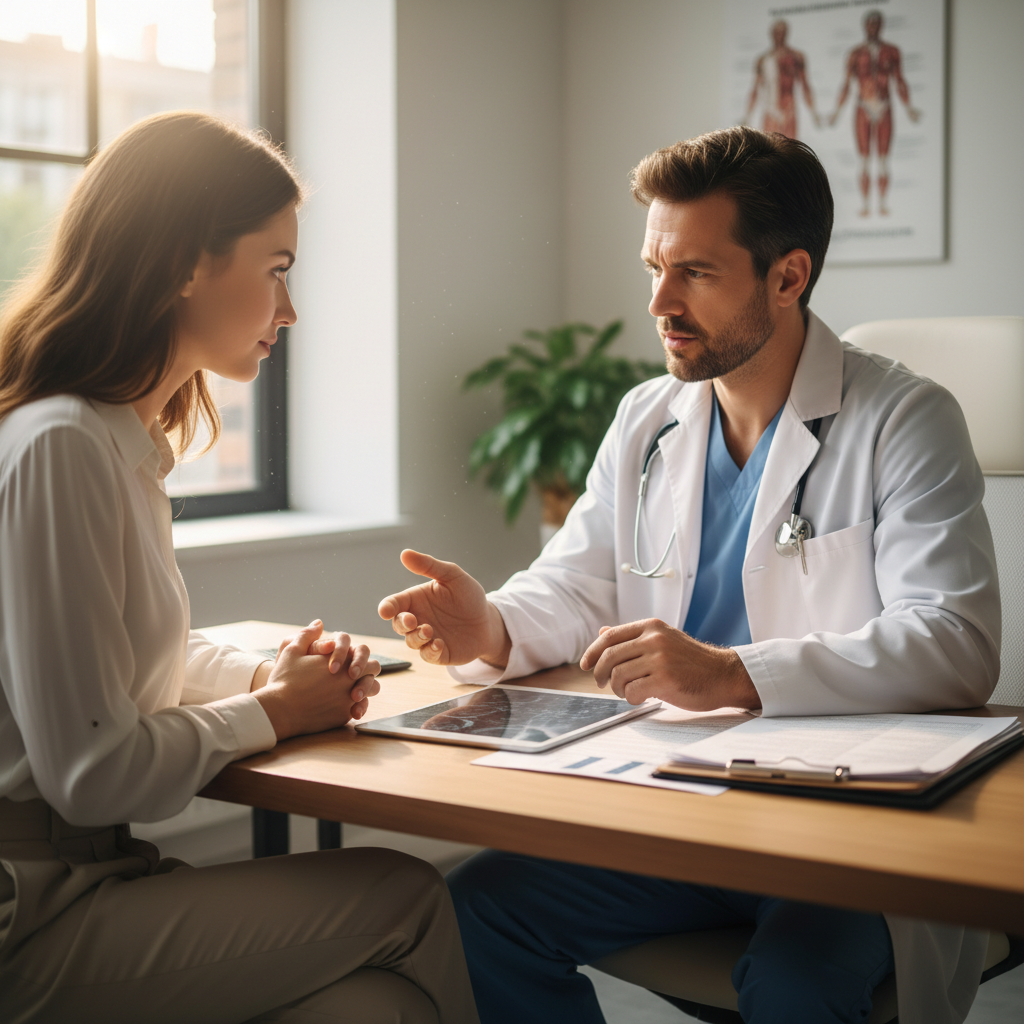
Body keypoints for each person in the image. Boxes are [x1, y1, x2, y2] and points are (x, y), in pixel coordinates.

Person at [378, 126, 998, 1024]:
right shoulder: (648, 418)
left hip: (842, 828)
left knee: (795, 983)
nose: (660, 302)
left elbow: (956, 641)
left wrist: (728, 673)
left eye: (696, 273)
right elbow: (582, 582)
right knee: (474, 911)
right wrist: (495, 629)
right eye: (653, 269)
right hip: (678, 806)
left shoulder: (904, 419)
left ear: (788, 277)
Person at [0, 112, 479, 1024]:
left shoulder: (117, 441)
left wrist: (266, 675)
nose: (290, 312)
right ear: (186, 260)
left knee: (382, 1006)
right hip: (30, 911)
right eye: (277, 270)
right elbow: (93, 770)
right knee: (408, 896)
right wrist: (270, 711)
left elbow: (118, 672)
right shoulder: (60, 446)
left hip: (84, 874)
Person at [829, 9, 921, 216]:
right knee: (863, 159)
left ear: (881, 26)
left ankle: (882, 204)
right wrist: (836, 112)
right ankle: (864, 205)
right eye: (870, 23)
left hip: (884, 106)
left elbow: (899, 80)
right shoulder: (855, 54)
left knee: (882, 160)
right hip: (863, 106)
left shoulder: (891, 51)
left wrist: (909, 108)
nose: (873, 27)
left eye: (876, 23)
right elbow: (846, 84)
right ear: (865, 26)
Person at [744, 19, 820, 140]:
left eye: (782, 32)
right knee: (769, 149)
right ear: (771, 34)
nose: (779, 36)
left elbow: (805, 85)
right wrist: (747, 116)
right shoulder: (763, 60)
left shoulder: (796, 57)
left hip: (789, 108)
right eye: (776, 32)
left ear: (786, 33)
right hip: (770, 109)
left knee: (789, 150)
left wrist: (814, 112)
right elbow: (755, 88)